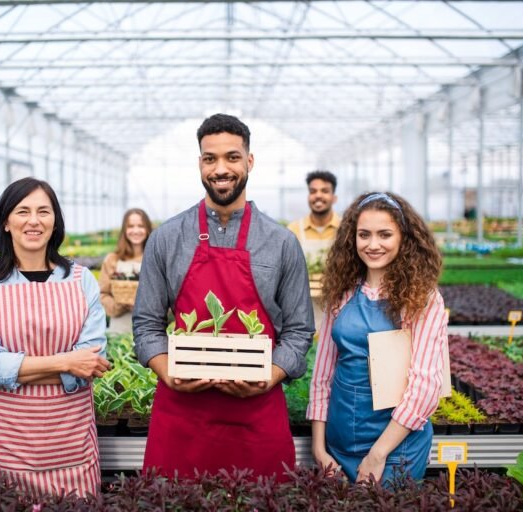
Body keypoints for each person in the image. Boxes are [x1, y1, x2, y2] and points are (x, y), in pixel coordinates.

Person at [133, 113, 314, 481]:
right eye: (210, 158)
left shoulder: (281, 243)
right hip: (183, 419)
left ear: (249, 161)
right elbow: (146, 324)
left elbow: (298, 330)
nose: (221, 169)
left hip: (257, 419)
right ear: (200, 163)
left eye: (232, 157)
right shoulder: (167, 238)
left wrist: (270, 374)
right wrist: (167, 372)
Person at [0, 177, 111, 497]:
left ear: (55, 222)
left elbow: (90, 364)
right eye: (23, 211)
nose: (34, 221)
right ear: (6, 222)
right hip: (2, 440)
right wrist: (68, 362)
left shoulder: (82, 281)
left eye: (44, 211)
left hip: (70, 438)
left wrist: (3, 375)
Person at [307, 191, 447, 485]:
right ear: (352, 238)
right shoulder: (342, 294)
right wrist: (319, 449)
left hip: (396, 448)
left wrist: (378, 454)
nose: (372, 245)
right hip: (339, 444)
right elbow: (322, 376)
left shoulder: (422, 299)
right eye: (363, 235)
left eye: (385, 234)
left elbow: (424, 386)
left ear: (404, 238)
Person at [98, 208, 152, 333]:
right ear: (124, 230)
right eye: (131, 226)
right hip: (120, 325)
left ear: (148, 229)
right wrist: (119, 305)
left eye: (141, 226)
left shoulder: (155, 257)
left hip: (151, 326)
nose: (136, 230)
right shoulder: (112, 260)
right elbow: (102, 294)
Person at [287, 170, 340, 266]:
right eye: (313, 191)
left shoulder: (345, 228)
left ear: (334, 198)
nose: (318, 195)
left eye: (325, 191)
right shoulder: (293, 230)